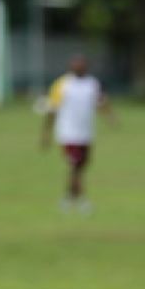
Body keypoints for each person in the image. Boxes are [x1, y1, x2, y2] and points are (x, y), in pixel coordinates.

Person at [40, 54, 114, 213]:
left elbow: (100, 102)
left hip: (86, 133)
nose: (78, 67)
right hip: (68, 133)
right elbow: (52, 109)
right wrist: (46, 133)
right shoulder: (62, 85)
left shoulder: (92, 84)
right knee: (74, 166)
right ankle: (82, 201)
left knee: (80, 167)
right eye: (75, 64)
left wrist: (109, 116)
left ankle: (68, 198)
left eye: (81, 64)